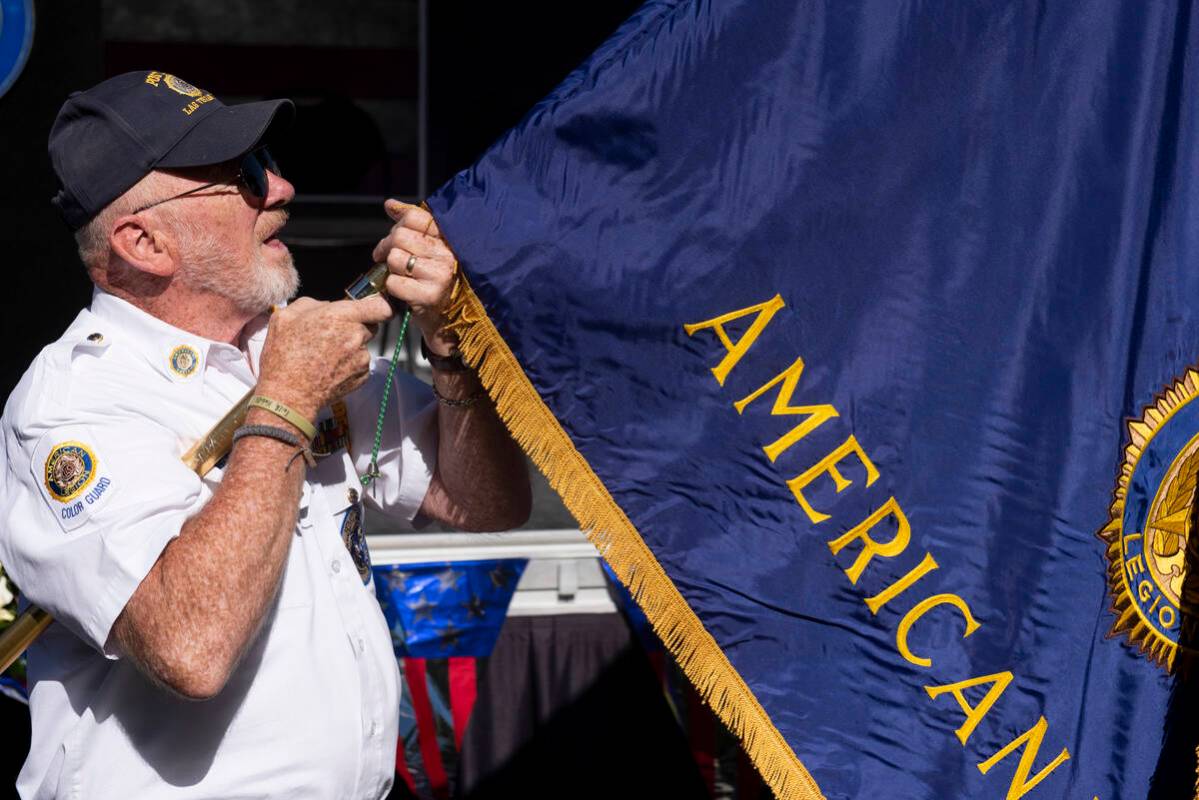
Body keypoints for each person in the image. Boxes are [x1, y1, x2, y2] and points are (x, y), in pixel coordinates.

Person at [0, 70, 531, 799]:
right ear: (143, 240)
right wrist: (283, 402)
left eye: (270, 163)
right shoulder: (74, 401)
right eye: (243, 176)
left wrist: (451, 351)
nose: (280, 188)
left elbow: (485, 503)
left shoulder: (276, 348)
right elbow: (189, 650)